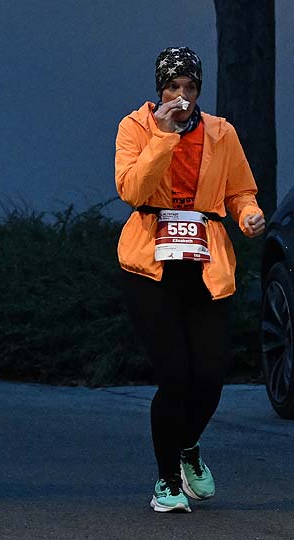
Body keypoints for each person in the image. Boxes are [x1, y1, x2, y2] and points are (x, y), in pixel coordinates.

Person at [114, 46, 265, 513]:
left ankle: (187, 447)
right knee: (175, 375)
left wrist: (249, 215)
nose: (181, 96)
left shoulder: (221, 132)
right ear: (159, 90)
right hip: (150, 266)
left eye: (190, 87)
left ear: (199, 90)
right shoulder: (134, 127)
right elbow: (132, 190)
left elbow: (240, 190)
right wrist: (163, 137)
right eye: (173, 87)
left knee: (212, 375)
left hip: (206, 264)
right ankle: (165, 482)